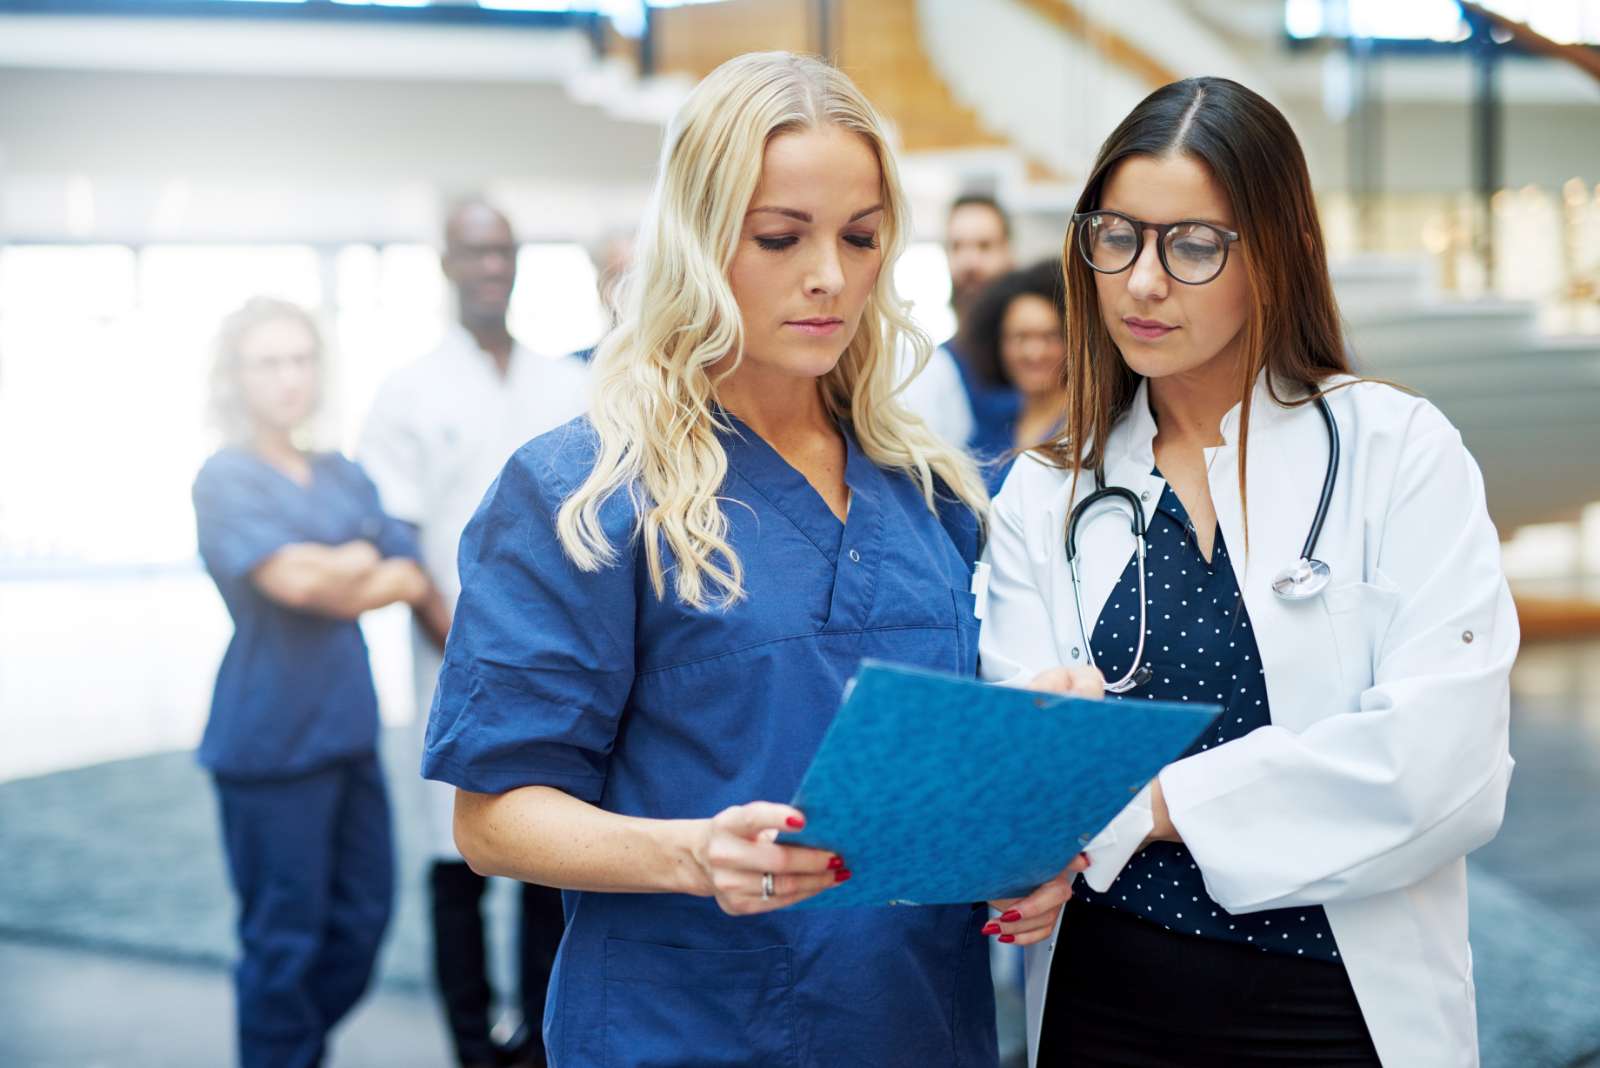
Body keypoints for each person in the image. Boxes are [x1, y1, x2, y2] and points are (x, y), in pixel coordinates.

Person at [421, 52, 1090, 1067]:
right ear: (698, 240)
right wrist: (689, 853)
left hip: (917, 1021)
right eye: (780, 236)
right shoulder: (587, 492)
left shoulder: (929, 489)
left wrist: (1017, 837)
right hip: (690, 1025)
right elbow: (493, 819)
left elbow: (917, 774)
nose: (829, 274)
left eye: (860, 237)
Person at [978, 77, 1517, 1067]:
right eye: (1117, 237)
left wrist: (1140, 806)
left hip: (1334, 1005)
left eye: (1192, 245)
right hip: (1106, 1003)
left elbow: (1444, 768)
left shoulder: (1395, 452)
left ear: (1278, 253)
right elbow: (1029, 778)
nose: (1142, 282)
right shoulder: (1042, 494)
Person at [358, 199, 588, 1068]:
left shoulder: (564, 382)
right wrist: (471, 642)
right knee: (454, 855)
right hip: (451, 656)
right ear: (447, 263)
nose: (492, 266)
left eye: (505, 251)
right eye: (475, 252)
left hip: (557, 658)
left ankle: (536, 1042)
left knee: (546, 848)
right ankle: (469, 1044)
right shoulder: (409, 389)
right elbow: (399, 538)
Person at [192, 297, 440, 1068]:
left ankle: (292, 1046)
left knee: (362, 920)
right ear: (236, 376)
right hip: (267, 741)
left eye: (301, 359)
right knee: (283, 940)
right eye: (269, 361)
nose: (289, 377)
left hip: (347, 729)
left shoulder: (343, 473)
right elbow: (300, 584)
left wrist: (343, 566)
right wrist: (355, 562)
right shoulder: (225, 478)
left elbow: (408, 570)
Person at [959, 259, 1069, 490]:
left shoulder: (1087, 428)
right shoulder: (991, 425)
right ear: (998, 344)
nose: (1034, 353)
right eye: (1020, 338)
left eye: (1050, 337)